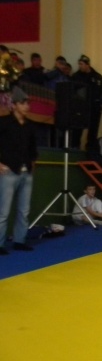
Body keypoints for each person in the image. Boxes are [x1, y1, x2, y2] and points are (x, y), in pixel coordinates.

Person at [0, 87, 38, 254]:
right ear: (14, 105)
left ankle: (19, 240)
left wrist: (32, 165)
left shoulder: (30, 126)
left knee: (24, 210)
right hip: (8, 171)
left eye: (27, 103)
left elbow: (33, 148)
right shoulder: (3, 122)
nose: (26, 106)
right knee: (3, 212)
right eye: (23, 103)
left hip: (26, 172)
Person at [71, 55, 102, 150]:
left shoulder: (97, 77)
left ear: (88, 65)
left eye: (82, 64)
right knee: (77, 128)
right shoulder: (76, 77)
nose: (80, 66)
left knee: (93, 130)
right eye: (79, 64)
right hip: (80, 107)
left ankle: (90, 149)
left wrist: (101, 104)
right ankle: (75, 147)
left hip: (94, 107)